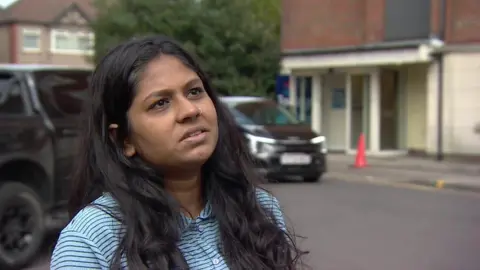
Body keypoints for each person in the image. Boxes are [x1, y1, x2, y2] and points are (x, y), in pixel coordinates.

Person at [50, 35, 305, 269]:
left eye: (194, 91)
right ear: (123, 139)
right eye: (160, 103)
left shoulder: (258, 207)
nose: (190, 111)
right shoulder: (91, 240)